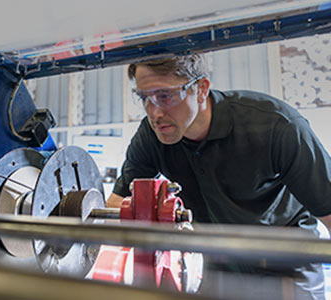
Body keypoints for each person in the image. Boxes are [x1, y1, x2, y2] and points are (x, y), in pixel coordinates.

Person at [107, 54, 331, 299]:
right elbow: (115, 208)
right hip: (219, 263)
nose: (154, 113)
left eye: (165, 96)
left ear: (201, 89)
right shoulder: (151, 136)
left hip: (287, 262)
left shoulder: (276, 126)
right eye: (144, 98)